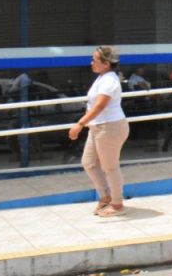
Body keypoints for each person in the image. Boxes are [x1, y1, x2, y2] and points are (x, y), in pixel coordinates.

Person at [69, 45, 130, 217]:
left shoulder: (109, 80)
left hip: (110, 126)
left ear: (106, 63)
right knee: (89, 162)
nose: (91, 63)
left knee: (110, 167)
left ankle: (117, 205)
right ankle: (106, 196)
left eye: (94, 60)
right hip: (97, 126)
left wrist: (80, 124)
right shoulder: (102, 78)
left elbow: (99, 106)